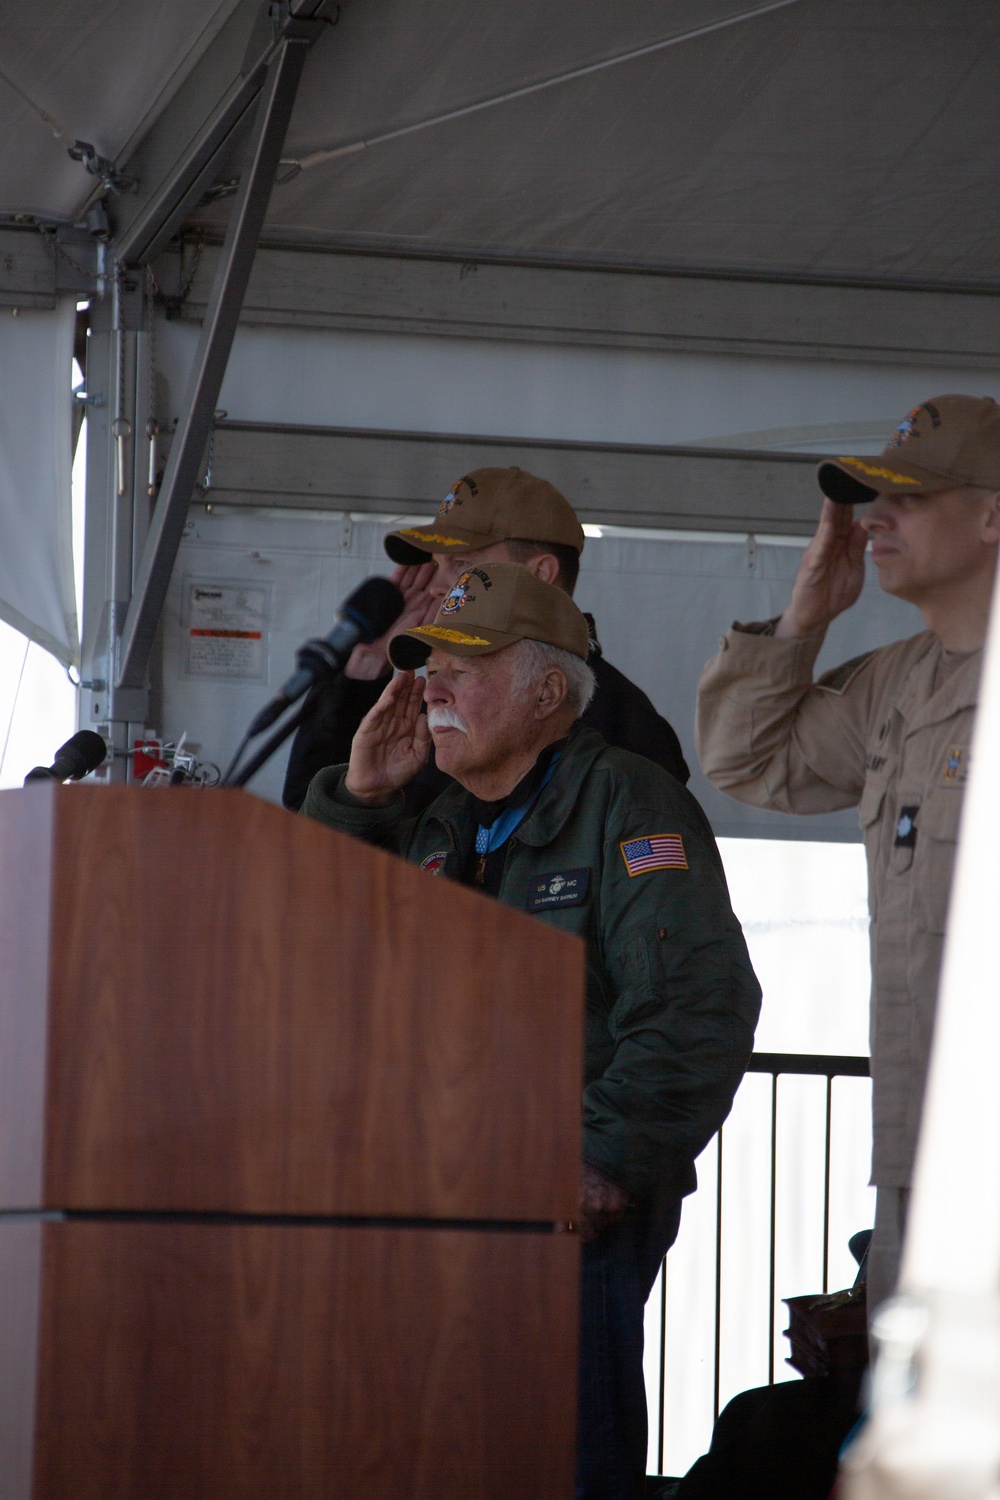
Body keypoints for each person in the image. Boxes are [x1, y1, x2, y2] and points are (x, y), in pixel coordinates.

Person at [302, 561, 761, 1500]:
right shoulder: (441, 821)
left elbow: (695, 1006)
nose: (430, 684)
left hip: (565, 1210)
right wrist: (362, 799)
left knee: (557, 1464)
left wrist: (600, 1158)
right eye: (428, 665)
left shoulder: (627, 802)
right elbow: (324, 953)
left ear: (548, 692)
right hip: (435, 1203)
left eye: (464, 666)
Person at [696, 393, 1000, 1318]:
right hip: (918, 1148)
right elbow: (751, 760)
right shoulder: (899, 684)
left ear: (992, 515)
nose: (875, 519)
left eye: (909, 497)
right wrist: (804, 621)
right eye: (875, 497)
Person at [282, 465, 689, 811]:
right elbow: (307, 822)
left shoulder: (623, 721)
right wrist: (361, 675)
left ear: (539, 575)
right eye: (435, 565)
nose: (437, 586)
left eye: (460, 565)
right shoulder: (428, 694)